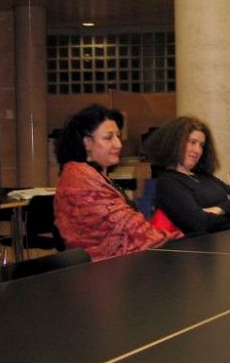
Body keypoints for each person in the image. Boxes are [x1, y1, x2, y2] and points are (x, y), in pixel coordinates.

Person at [54, 104, 181, 261]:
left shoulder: (86, 173)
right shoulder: (81, 181)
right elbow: (132, 230)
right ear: (87, 142)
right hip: (101, 269)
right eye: (108, 138)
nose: (118, 144)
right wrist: (182, 239)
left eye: (117, 136)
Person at [145, 116, 230, 237]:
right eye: (192, 142)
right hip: (202, 246)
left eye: (201, 145)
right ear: (175, 143)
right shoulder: (168, 182)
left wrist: (218, 209)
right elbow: (200, 222)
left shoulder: (204, 176)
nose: (198, 150)